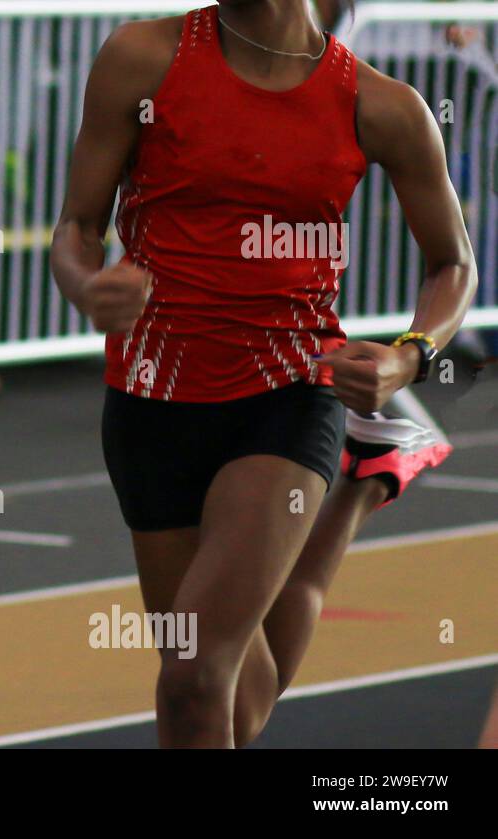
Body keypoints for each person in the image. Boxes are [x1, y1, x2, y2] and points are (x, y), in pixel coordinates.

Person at [51, 0, 476, 747]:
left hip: (287, 394)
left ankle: (350, 459)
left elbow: (453, 262)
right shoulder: (141, 59)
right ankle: (360, 480)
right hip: (150, 400)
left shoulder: (383, 106)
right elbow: (77, 226)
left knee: (191, 676)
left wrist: (409, 354)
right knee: (225, 706)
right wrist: (87, 286)